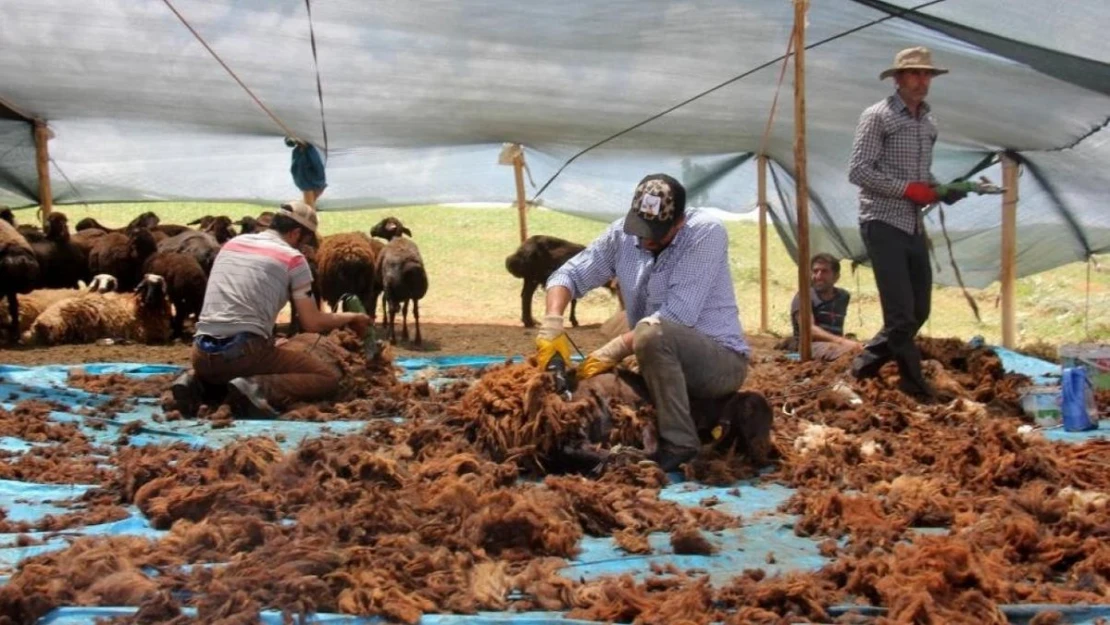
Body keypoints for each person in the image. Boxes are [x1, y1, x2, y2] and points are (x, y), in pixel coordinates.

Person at [537, 173, 751, 471]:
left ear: (679, 222)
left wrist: (610, 351)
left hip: (718, 362)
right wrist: (553, 323)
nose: (646, 240)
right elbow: (567, 275)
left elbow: (676, 316)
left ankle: (680, 444)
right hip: (657, 358)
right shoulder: (621, 236)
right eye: (641, 230)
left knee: (652, 336)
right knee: (621, 370)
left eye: (657, 233)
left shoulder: (705, 233)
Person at [171, 200, 371, 418]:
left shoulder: (232, 244)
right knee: (326, 377)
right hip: (245, 353)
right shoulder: (293, 259)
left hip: (200, 353)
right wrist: (351, 316)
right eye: (305, 241)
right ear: (296, 234)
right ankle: (258, 388)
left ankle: (196, 382)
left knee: (246, 356)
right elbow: (311, 322)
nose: (304, 247)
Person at [847, 46, 966, 401]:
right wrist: (908, 190)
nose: (922, 80)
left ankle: (863, 366)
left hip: (912, 224)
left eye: (927, 74)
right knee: (900, 314)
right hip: (882, 221)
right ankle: (914, 385)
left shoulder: (928, 124)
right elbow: (859, 170)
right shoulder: (878, 116)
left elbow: (921, 176)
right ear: (897, 78)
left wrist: (942, 189)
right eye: (914, 73)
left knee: (919, 310)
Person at [790, 253, 859, 361]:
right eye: (815, 271)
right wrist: (842, 342)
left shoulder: (843, 296)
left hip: (834, 345)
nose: (818, 276)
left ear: (836, 277)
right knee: (851, 354)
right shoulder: (804, 297)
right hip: (808, 347)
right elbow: (809, 330)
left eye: (824, 271)